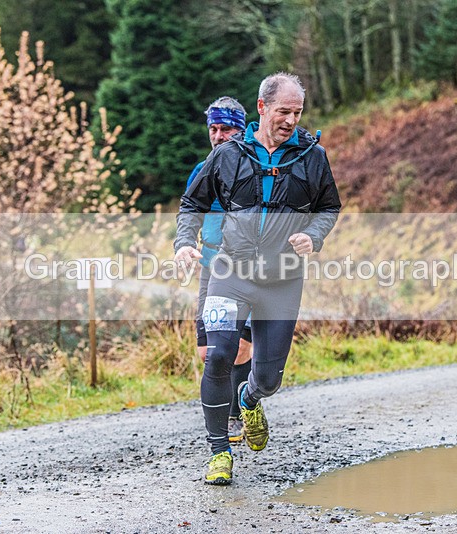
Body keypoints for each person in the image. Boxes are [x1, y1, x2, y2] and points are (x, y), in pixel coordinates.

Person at [175, 72, 341, 485]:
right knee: (217, 355)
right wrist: (183, 242)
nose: (291, 120)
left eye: (298, 113)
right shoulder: (228, 154)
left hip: (282, 279)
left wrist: (313, 235)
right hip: (229, 271)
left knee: (268, 378)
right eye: (284, 111)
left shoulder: (312, 157)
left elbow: (329, 207)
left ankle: (249, 399)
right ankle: (219, 452)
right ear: (263, 107)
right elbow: (191, 202)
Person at [186, 96, 252, 443]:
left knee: (240, 347)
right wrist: (184, 243)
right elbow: (189, 210)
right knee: (207, 350)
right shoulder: (202, 170)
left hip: (249, 270)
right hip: (211, 267)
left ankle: (237, 414)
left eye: (225, 128)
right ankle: (233, 404)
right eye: (213, 128)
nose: (217, 135)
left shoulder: (255, 168)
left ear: (240, 131)